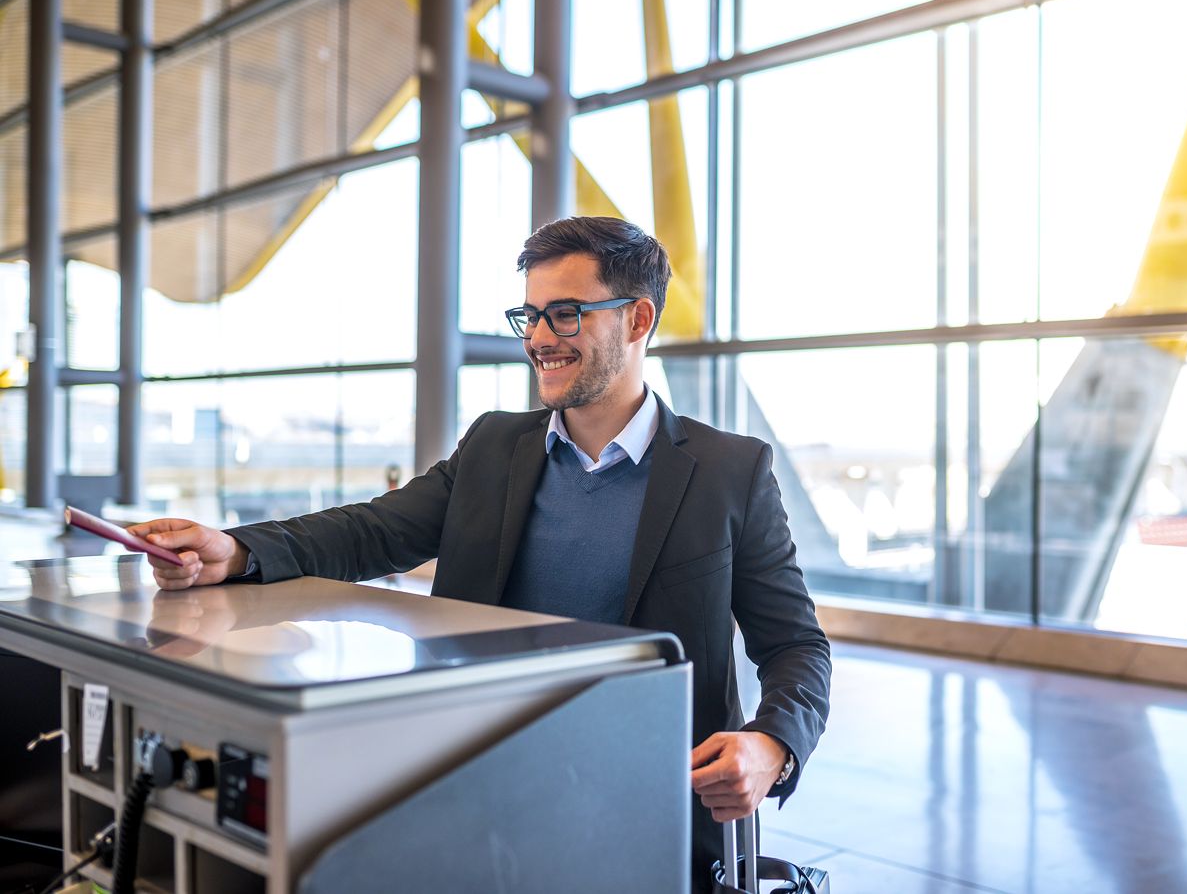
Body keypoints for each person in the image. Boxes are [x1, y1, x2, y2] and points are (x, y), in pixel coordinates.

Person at [128, 216, 831, 889]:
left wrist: (771, 744)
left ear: (638, 319)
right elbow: (371, 531)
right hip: (483, 783)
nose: (540, 338)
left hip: (651, 804)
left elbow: (797, 645)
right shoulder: (495, 445)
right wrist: (237, 549)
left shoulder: (729, 470)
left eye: (566, 313)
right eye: (530, 316)